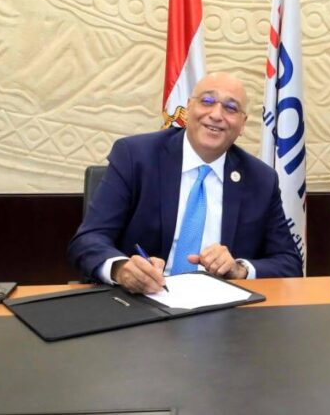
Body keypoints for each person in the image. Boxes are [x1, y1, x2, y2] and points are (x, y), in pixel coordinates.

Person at [67, 73, 302, 293]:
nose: (216, 114)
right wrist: (121, 269)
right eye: (207, 101)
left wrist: (240, 269)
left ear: (242, 124)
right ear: (189, 108)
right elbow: (88, 240)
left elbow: (289, 263)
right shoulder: (135, 156)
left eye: (231, 108)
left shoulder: (261, 179)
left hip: (221, 306)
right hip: (143, 300)